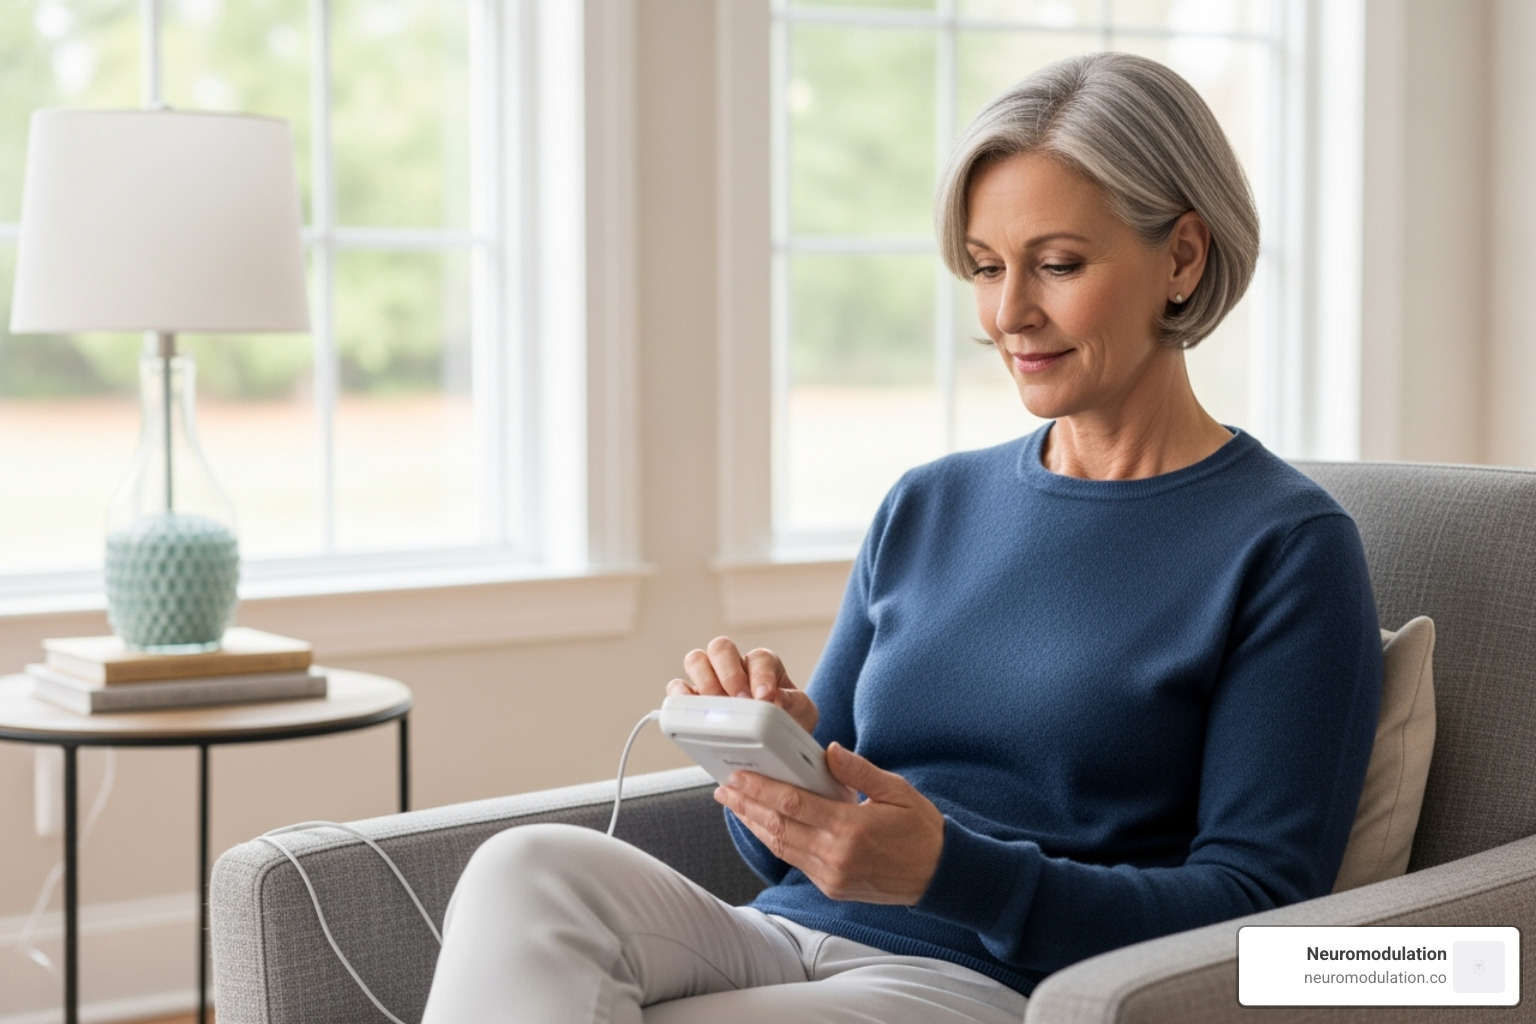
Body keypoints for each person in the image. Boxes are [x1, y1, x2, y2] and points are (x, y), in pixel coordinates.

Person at [420, 51, 1382, 1023]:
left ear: (1182, 256)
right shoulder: (929, 504)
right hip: (780, 932)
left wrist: (955, 873)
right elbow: (787, 849)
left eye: (1057, 263)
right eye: (986, 267)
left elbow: (1261, 915)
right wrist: (770, 766)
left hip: (989, 984)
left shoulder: (1287, 547)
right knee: (525, 869)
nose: (1009, 314)